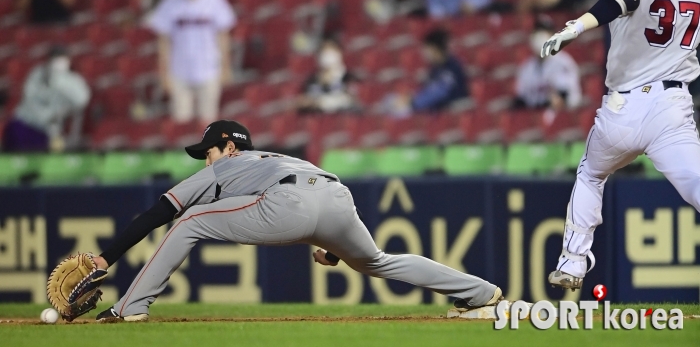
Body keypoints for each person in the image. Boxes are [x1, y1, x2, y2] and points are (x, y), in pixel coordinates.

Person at [88, 119, 503, 321]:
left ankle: (130, 309)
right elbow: (312, 205)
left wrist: (107, 257)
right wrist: (334, 249)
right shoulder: (278, 157)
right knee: (377, 261)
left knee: (188, 220)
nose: (206, 159)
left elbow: (159, 212)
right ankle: (479, 293)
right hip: (335, 194)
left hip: (290, 200)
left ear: (229, 146)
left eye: (208, 151)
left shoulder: (225, 166)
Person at [541, 0, 700, 291]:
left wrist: (577, 25)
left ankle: (573, 263)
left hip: (623, 108)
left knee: (592, 174)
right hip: (673, 108)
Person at [150, 0, 235, 125]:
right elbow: (163, 41)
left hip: (209, 68)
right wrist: (163, 72)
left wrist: (226, 67)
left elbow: (223, 36)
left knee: (209, 122)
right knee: (181, 122)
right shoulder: (170, 4)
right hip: (179, 70)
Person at [2, 46, 90, 152]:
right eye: (56, 60)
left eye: (62, 60)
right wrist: (47, 115)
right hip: (25, 124)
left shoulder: (73, 80)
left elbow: (82, 99)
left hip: (48, 132)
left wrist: (59, 82)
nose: (59, 63)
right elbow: (29, 98)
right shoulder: (37, 74)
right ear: (49, 60)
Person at [389, 29, 468, 116]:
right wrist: (409, 98)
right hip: (433, 111)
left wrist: (412, 103)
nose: (424, 53)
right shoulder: (435, 69)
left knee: (399, 112)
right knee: (391, 100)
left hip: (450, 115)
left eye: (426, 49)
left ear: (434, 49)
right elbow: (426, 90)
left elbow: (438, 93)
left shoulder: (452, 68)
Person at [514, 17, 581, 110]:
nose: (540, 36)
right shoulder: (526, 67)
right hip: (534, 116)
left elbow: (564, 98)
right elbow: (521, 99)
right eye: (537, 32)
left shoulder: (563, 62)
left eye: (545, 32)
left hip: (561, 115)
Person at [297, 38, 358, 114]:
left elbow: (351, 101)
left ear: (339, 52)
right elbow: (304, 101)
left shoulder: (349, 78)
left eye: (330, 50)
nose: (326, 54)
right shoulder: (311, 80)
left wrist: (321, 102)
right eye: (323, 51)